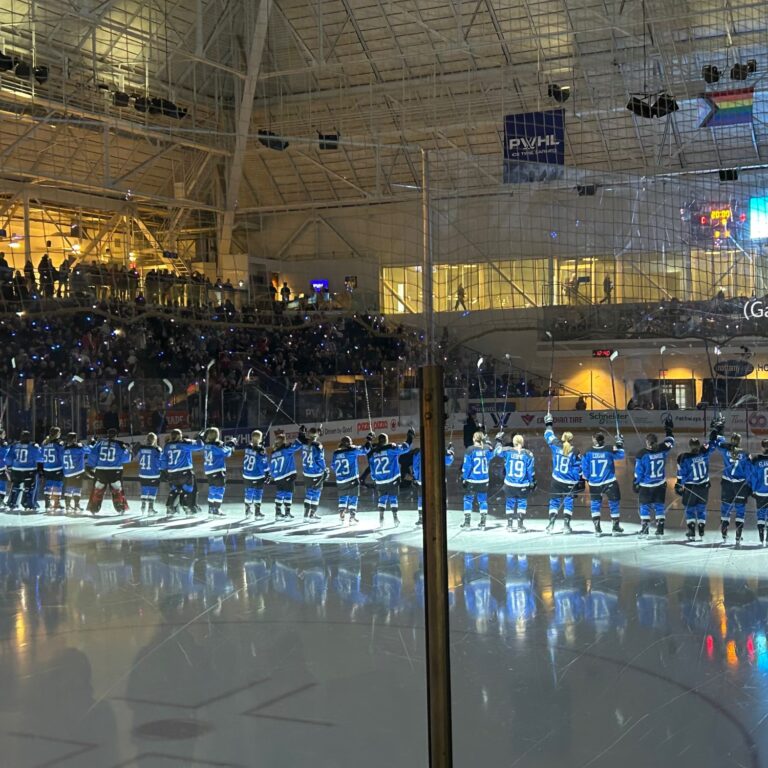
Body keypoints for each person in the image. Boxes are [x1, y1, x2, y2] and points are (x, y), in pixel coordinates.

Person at [633, 415, 675, 537]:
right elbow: (671, 441)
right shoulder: (662, 448)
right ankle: (660, 528)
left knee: (644, 506)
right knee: (659, 506)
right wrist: (669, 430)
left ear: (647, 441)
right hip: (660, 484)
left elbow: (638, 472)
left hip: (646, 485)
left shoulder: (642, 454)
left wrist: (635, 482)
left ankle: (645, 529)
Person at [676, 424, 719, 542]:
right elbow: (713, 444)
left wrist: (679, 484)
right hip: (704, 486)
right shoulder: (704, 454)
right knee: (701, 508)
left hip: (690, 488)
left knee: (690, 509)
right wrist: (715, 432)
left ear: (690, 446)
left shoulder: (684, 458)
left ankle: (691, 530)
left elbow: (681, 474)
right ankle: (701, 527)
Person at [544, 414, 583, 534]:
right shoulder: (575, 451)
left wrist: (549, 424)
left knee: (554, 502)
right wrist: (578, 480)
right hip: (569, 482)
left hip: (556, 480)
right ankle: (566, 525)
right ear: (571, 439)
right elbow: (579, 468)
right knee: (568, 503)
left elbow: (548, 435)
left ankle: (551, 525)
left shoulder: (556, 445)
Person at [368, 429, 414, 528]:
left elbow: (372, 467)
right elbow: (405, 448)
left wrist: (374, 478)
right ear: (386, 440)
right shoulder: (391, 449)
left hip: (380, 481)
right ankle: (395, 518)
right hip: (392, 479)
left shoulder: (373, 453)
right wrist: (410, 437)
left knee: (382, 499)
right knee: (393, 498)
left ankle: (381, 518)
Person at [581, 432, 625, 536]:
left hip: (594, 483)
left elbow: (585, 469)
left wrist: (588, 479)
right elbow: (621, 455)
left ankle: (597, 528)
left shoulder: (587, 452)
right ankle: (615, 526)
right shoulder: (609, 449)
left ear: (593, 439)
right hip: (609, 482)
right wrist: (620, 445)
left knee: (595, 504)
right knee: (614, 503)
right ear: (603, 440)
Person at [714, 430, 751, 545]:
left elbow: (717, 442)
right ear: (740, 441)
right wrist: (750, 485)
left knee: (726, 508)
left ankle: (724, 532)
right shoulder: (745, 454)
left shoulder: (725, 450)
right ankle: (738, 535)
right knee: (740, 510)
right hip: (740, 485)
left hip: (727, 484)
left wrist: (719, 431)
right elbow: (749, 471)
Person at [493, 432, 535, 533]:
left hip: (509, 484)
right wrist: (532, 482)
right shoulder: (529, 454)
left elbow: (497, 451)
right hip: (522, 485)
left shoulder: (508, 451)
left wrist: (498, 441)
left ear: (513, 442)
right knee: (522, 504)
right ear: (522, 442)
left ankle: (509, 525)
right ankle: (520, 526)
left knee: (510, 504)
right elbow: (530, 471)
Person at [85, 429, 132, 515]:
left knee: (98, 489)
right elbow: (126, 459)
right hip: (115, 471)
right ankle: (120, 508)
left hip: (101, 470)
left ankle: (93, 509)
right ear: (116, 435)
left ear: (107, 434)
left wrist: (90, 466)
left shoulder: (99, 443)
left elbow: (93, 454)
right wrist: (130, 452)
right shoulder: (119, 445)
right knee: (117, 489)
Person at [160, 429, 203, 516]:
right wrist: (199, 438)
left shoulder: (167, 446)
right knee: (188, 490)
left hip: (172, 473)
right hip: (185, 473)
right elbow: (199, 446)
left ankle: (170, 506)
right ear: (180, 435)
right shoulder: (184, 444)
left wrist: (163, 470)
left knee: (175, 490)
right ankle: (187, 507)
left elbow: (163, 460)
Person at [332, 434, 373, 524]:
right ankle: (352, 517)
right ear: (348, 443)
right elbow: (366, 449)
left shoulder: (336, 453)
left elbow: (333, 466)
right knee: (353, 497)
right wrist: (369, 440)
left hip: (340, 480)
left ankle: (342, 514)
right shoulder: (352, 451)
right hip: (352, 479)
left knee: (343, 497)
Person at [412, 441, 455, 526]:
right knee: (438, 499)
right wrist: (450, 453)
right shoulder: (439, 451)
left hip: (422, 480)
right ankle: (439, 518)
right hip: (437, 481)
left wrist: (417, 479)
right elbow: (448, 462)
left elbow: (415, 467)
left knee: (421, 499)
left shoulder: (418, 452)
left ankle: (421, 517)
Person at [269, 428, 304, 520]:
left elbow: (271, 467)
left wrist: (272, 475)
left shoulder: (273, 453)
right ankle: (287, 513)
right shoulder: (286, 450)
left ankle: (278, 512)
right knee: (288, 494)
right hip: (287, 475)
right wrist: (301, 434)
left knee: (280, 493)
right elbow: (297, 445)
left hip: (278, 478)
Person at [461, 430, 493, 530]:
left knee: (468, 500)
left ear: (474, 438)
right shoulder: (487, 449)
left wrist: (464, 478)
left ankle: (467, 523)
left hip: (472, 480)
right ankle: (483, 523)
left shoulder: (470, 450)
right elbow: (491, 455)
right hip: (484, 480)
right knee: (482, 501)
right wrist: (489, 445)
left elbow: (467, 466)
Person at [202, 427, 234, 516]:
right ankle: (217, 508)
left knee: (212, 489)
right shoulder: (216, 446)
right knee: (220, 489)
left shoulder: (206, 445)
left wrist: (227, 446)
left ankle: (211, 508)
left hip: (208, 471)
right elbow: (226, 453)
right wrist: (231, 445)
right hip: (217, 470)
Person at [6, 431, 40, 513]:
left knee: (15, 487)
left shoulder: (14, 445)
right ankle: (28, 505)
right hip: (29, 470)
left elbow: (8, 458)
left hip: (16, 470)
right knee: (29, 488)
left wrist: (10, 466)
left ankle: (12, 504)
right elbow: (40, 458)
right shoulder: (33, 446)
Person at [300, 427, 327, 520]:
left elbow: (304, 439)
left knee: (308, 493)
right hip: (316, 473)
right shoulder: (318, 445)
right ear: (317, 435)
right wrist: (325, 469)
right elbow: (320, 459)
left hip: (306, 472)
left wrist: (302, 433)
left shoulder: (304, 443)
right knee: (316, 493)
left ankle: (305, 514)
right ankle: (312, 514)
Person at [242, 430, 269, 519]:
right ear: (260, 438)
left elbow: (253, 450)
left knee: (248, 493)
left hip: (247, 474)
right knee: (258, 493)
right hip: (257, 475)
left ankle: (247, 511)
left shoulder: (247, 447)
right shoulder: (261, 450)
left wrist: (259, 448)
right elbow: (263, 463)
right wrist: (267, 473)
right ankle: (257, 512)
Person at [62, 432, 91, 515]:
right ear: (74, 439)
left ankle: (67, 506)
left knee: (68, 488)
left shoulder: (63, 448)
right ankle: (76, 505)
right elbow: (89, 451)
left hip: (67, 472)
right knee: (77, 489)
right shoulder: (79, 448)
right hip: (77, 471)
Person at [136, 433, 162, 515]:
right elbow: (159, 462)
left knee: (144, 489)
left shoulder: (141, 449)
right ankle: (150, 508)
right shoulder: (157, 449)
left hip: (143, 474)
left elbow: (139, 457)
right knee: (152, 490)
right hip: (153, 474)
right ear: (154, 440)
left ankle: (143, 506)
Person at [748, 440, 768, 546]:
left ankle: (761, 534)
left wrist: (753, 490)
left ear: (762, 448)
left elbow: (753, 477)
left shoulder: (756, 461)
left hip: (760, 492)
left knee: (761, 514)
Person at [41, 427, 65, 514]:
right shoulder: (59, 443)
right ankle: (56, 503)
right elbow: (62, 455)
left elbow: (41, 455)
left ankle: (47, 503)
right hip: (57, 467)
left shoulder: (45, 443)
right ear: (57, 434)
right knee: (57, 485)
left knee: (48, 485)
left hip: (47, 468)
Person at [0, 428, 8, 511]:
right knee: (2, 484)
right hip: (1, 467)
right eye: (4, 433)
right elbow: (5, 455)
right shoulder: (3, 444)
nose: (5, 435)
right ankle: (1, 500)